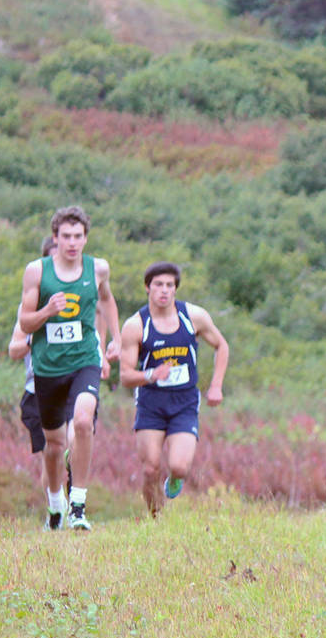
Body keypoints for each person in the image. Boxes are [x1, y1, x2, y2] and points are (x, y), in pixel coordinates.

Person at [17, 206, 121, 531]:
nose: (72, 243)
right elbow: (24, 322)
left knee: (83, 421)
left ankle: (78, 503)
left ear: (86, 238)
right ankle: (55, 503)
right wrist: (47, 310)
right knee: (54, 446)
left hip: (85, 360)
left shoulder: (98, 268)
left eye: (78, 236)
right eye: (66, 237)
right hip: (47, 368)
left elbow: (106, 300)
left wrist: (115, 338)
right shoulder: (37, 271)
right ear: (55, 238)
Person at [118, 261, 230, 518]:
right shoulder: (135, 325)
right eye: (158, 285)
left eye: (170, 285)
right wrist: (150, 375)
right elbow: (125, 375)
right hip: (151, 402)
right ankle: (156, 519)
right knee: (149, 469)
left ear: (176, 289)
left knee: (179, 466)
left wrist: (216, 386)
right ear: (147, 288)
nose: (164, 291)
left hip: (185, 402)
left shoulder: (194, 317)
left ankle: (175, 481)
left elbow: (222, 346)